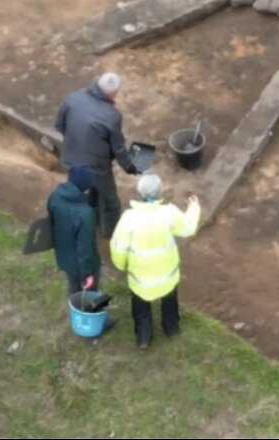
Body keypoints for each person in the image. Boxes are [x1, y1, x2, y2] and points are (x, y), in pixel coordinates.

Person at [110, 175, 201, 349]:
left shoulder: (129, 219)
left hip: (140, 280)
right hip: (167, 276)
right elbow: (188, 227)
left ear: (140, 193)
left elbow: (118, 248)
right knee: (170, 304)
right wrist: (194, 207)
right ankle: (171, 329)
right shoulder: (169, 213)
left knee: (141, 308)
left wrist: (122, 266)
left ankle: (144, 338)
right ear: (160, 193)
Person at [55, 72, 139, 240]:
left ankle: (87, 219)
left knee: (85, 191)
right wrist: (130, 167)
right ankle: (110, 233)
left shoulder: (73, 98)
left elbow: (59, 125)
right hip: (97, 167)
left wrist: (76, 142)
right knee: (110, 202)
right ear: (112, 93)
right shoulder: (112, 116)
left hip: (71, 160)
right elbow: (118, 148)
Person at [48, 165, 102, 296]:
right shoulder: (85, 213)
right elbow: (85, 248)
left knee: (73, 286)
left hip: (64, 256)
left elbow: (51, 223)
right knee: (89, 294)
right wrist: (87, 274)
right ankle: (88, 315)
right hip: (82, 264)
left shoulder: (55, 197)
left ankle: (74, 311)